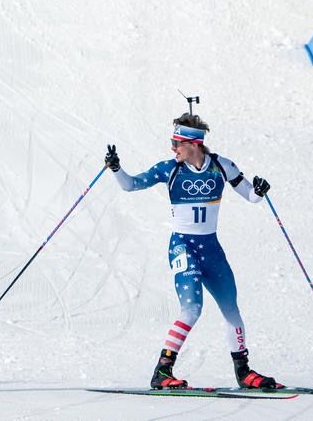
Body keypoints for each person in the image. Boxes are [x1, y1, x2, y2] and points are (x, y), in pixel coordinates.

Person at [105, 113, 283, 390]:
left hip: (211, 249)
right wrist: (116, 168)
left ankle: (243, 372)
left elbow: (251, 196)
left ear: (194, 144)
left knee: (231, 309)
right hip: (183, 247)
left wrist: (260, 191)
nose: (172, 148)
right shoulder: (170, 169)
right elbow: (131, 185)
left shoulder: (222, 166)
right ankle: (162, 371)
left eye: (177, 143)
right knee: (192, 309)